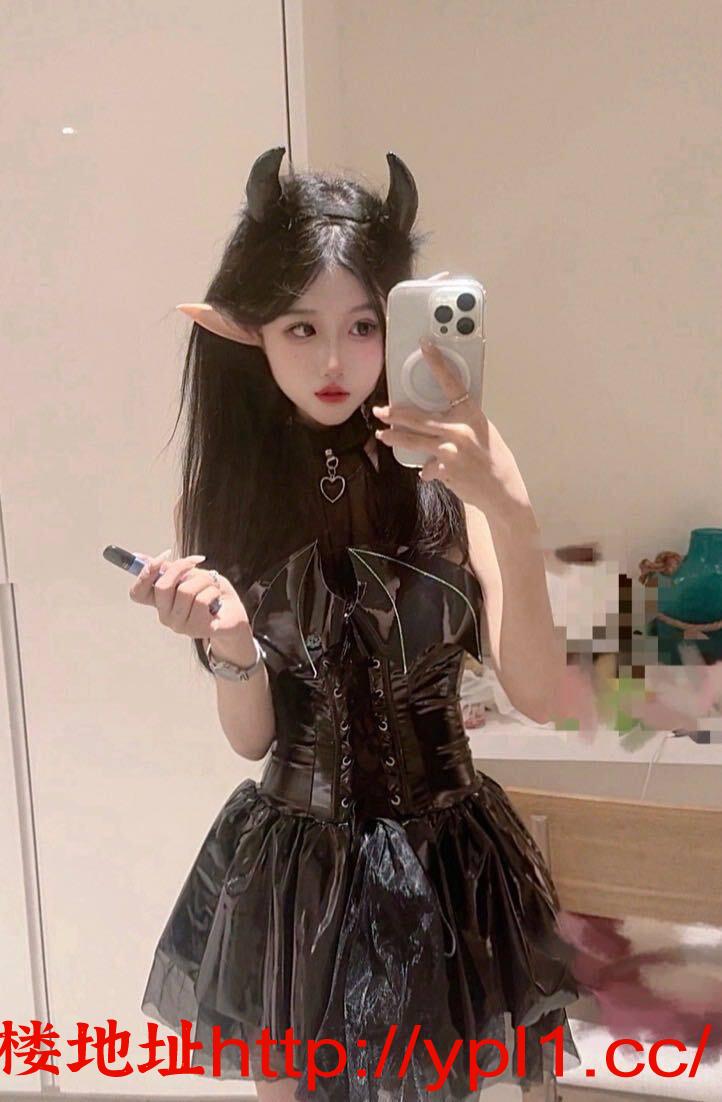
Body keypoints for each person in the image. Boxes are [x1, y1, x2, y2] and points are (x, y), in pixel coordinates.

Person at [132, 147, 582, 1101]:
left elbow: (541, 696)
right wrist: (230, 646)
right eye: (301, 327)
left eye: (364, 325)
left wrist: (511, 510)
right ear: (251, 333)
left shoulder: (462, 465)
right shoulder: (222, 500)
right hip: (298, 875)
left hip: (450, 865)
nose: (334, 362)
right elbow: (252, 738)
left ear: (398, 324)